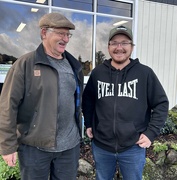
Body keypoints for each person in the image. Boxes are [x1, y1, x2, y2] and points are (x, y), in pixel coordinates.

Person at [0, 12, 83, 180]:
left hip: (69, 148)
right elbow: (8, 106)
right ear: (44, 33)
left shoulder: (74, 66)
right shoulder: (25, 64)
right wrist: (8, 146)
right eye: (61, 33)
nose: (66, 39)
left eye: (68, 34)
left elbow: (78, 100)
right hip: (34, 147)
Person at [82, 25, 169, 180]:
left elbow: (161, 103)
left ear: (132, 47)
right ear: (108, 47)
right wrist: (89, 123)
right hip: (102, 146)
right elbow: (88, 100)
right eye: (114, 43)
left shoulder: (145, 73)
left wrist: (150, 133)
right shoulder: (98, 73)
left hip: (133, 146)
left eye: (124, 43)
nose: (119, 47)